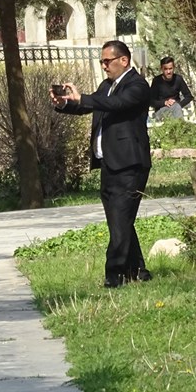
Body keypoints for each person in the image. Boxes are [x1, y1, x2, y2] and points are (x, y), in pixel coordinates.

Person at [51, 40, 152, 288]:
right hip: (109, 164)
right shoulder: (107, 86)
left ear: (123, 60)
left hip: (130, 164)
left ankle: (114, 274)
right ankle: (138, 270)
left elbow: (117, 105)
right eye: (101, 62)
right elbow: (92, 104)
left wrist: (84, 98)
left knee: (120, 218)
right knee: (119, 219)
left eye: (107, 61)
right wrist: (66, 103)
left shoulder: (137, 85)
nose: (104, 66)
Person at [150, 56, 194, 121]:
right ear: (161, 69)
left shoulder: (178, 79)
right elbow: (151, 101)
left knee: (176, 108)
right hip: (161, 110)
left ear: (174, 68)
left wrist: (178, 104)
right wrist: (165, 103)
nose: (168, 72)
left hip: (176, 108)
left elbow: (189, 96)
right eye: (166, 69)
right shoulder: (157, 81)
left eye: (170, 69)